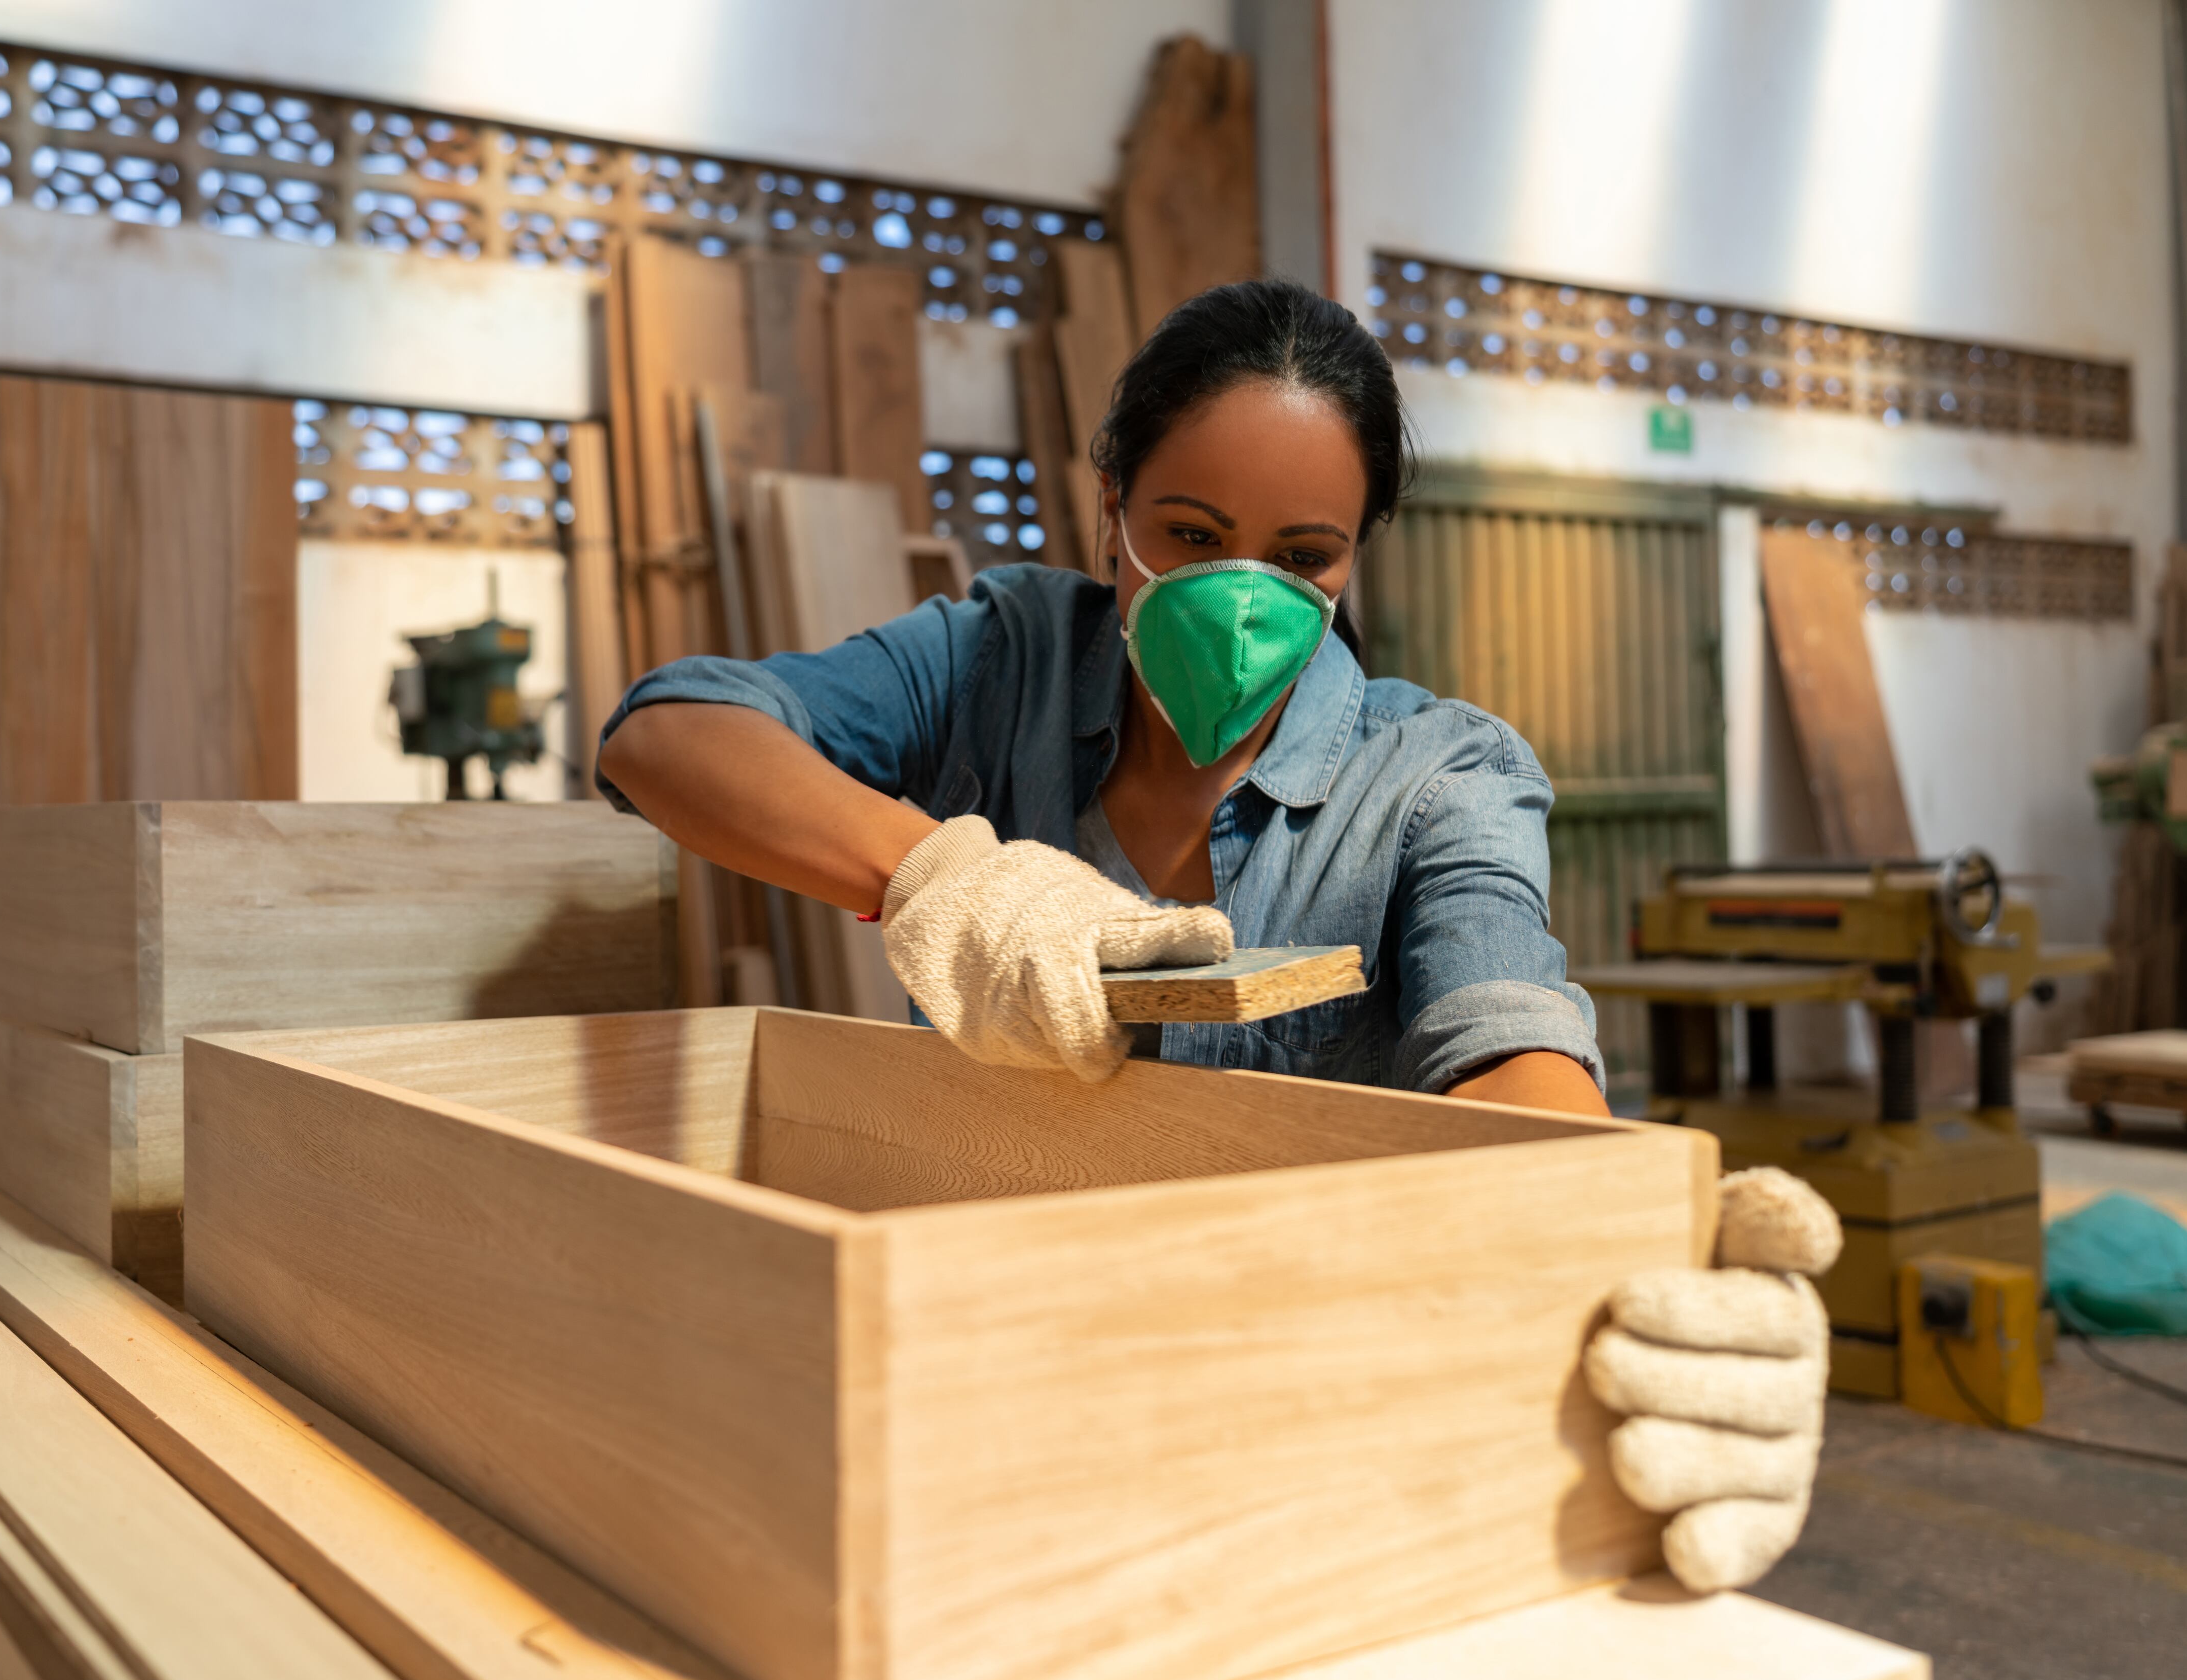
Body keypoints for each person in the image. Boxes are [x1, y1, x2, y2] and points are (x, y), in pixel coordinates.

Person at [598, 277, 1833, 1592]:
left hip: (1288, 1413)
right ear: (1111, 504)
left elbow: (1504, 1036)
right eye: (1189, 535)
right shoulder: (995, 665)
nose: (1243, 599)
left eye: (1304, 558)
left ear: (1358, 551)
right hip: (983, 1364)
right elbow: (669, 734)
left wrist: (1626, 1251)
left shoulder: (1437, 776)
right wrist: (940, 878)